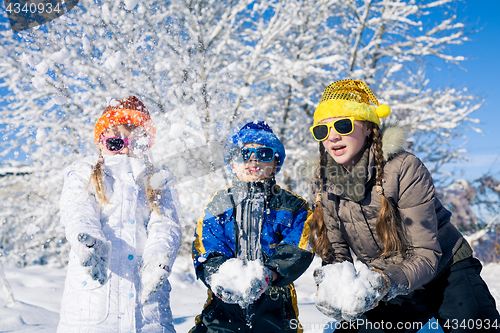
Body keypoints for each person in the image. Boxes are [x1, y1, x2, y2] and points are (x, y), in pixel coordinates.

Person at [309, 79, 500, 332]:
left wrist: (382, 284)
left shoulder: (404, 168)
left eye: (342, 125)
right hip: (387, 279)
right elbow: (336, 255)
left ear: (368, 127)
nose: (332, 136)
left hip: (447, 271)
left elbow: (425, 253)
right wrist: (334, 286)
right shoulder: (323, 182)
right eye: (321, 131)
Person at [57, 96, 181, 333]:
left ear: (146, 146)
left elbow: (165, 224)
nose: (124, 150)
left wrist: (157, 259)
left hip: (147, 313)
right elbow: (77, 211)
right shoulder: (84, 173)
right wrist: (89, 241)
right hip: (90, 309)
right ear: (101, 144)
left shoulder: (159, 179)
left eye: (136, 144)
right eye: (115, 143)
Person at [190, 121, 314, 332]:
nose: (253, 159)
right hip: (223, 308)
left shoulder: (293, 206)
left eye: (264, 154)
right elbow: (205, 246)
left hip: (275, 308)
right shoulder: (219, 204)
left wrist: (271, 273)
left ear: (276, 164)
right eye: (242, 153)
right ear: (232, 163)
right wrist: (219, 275)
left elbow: (300, 245)